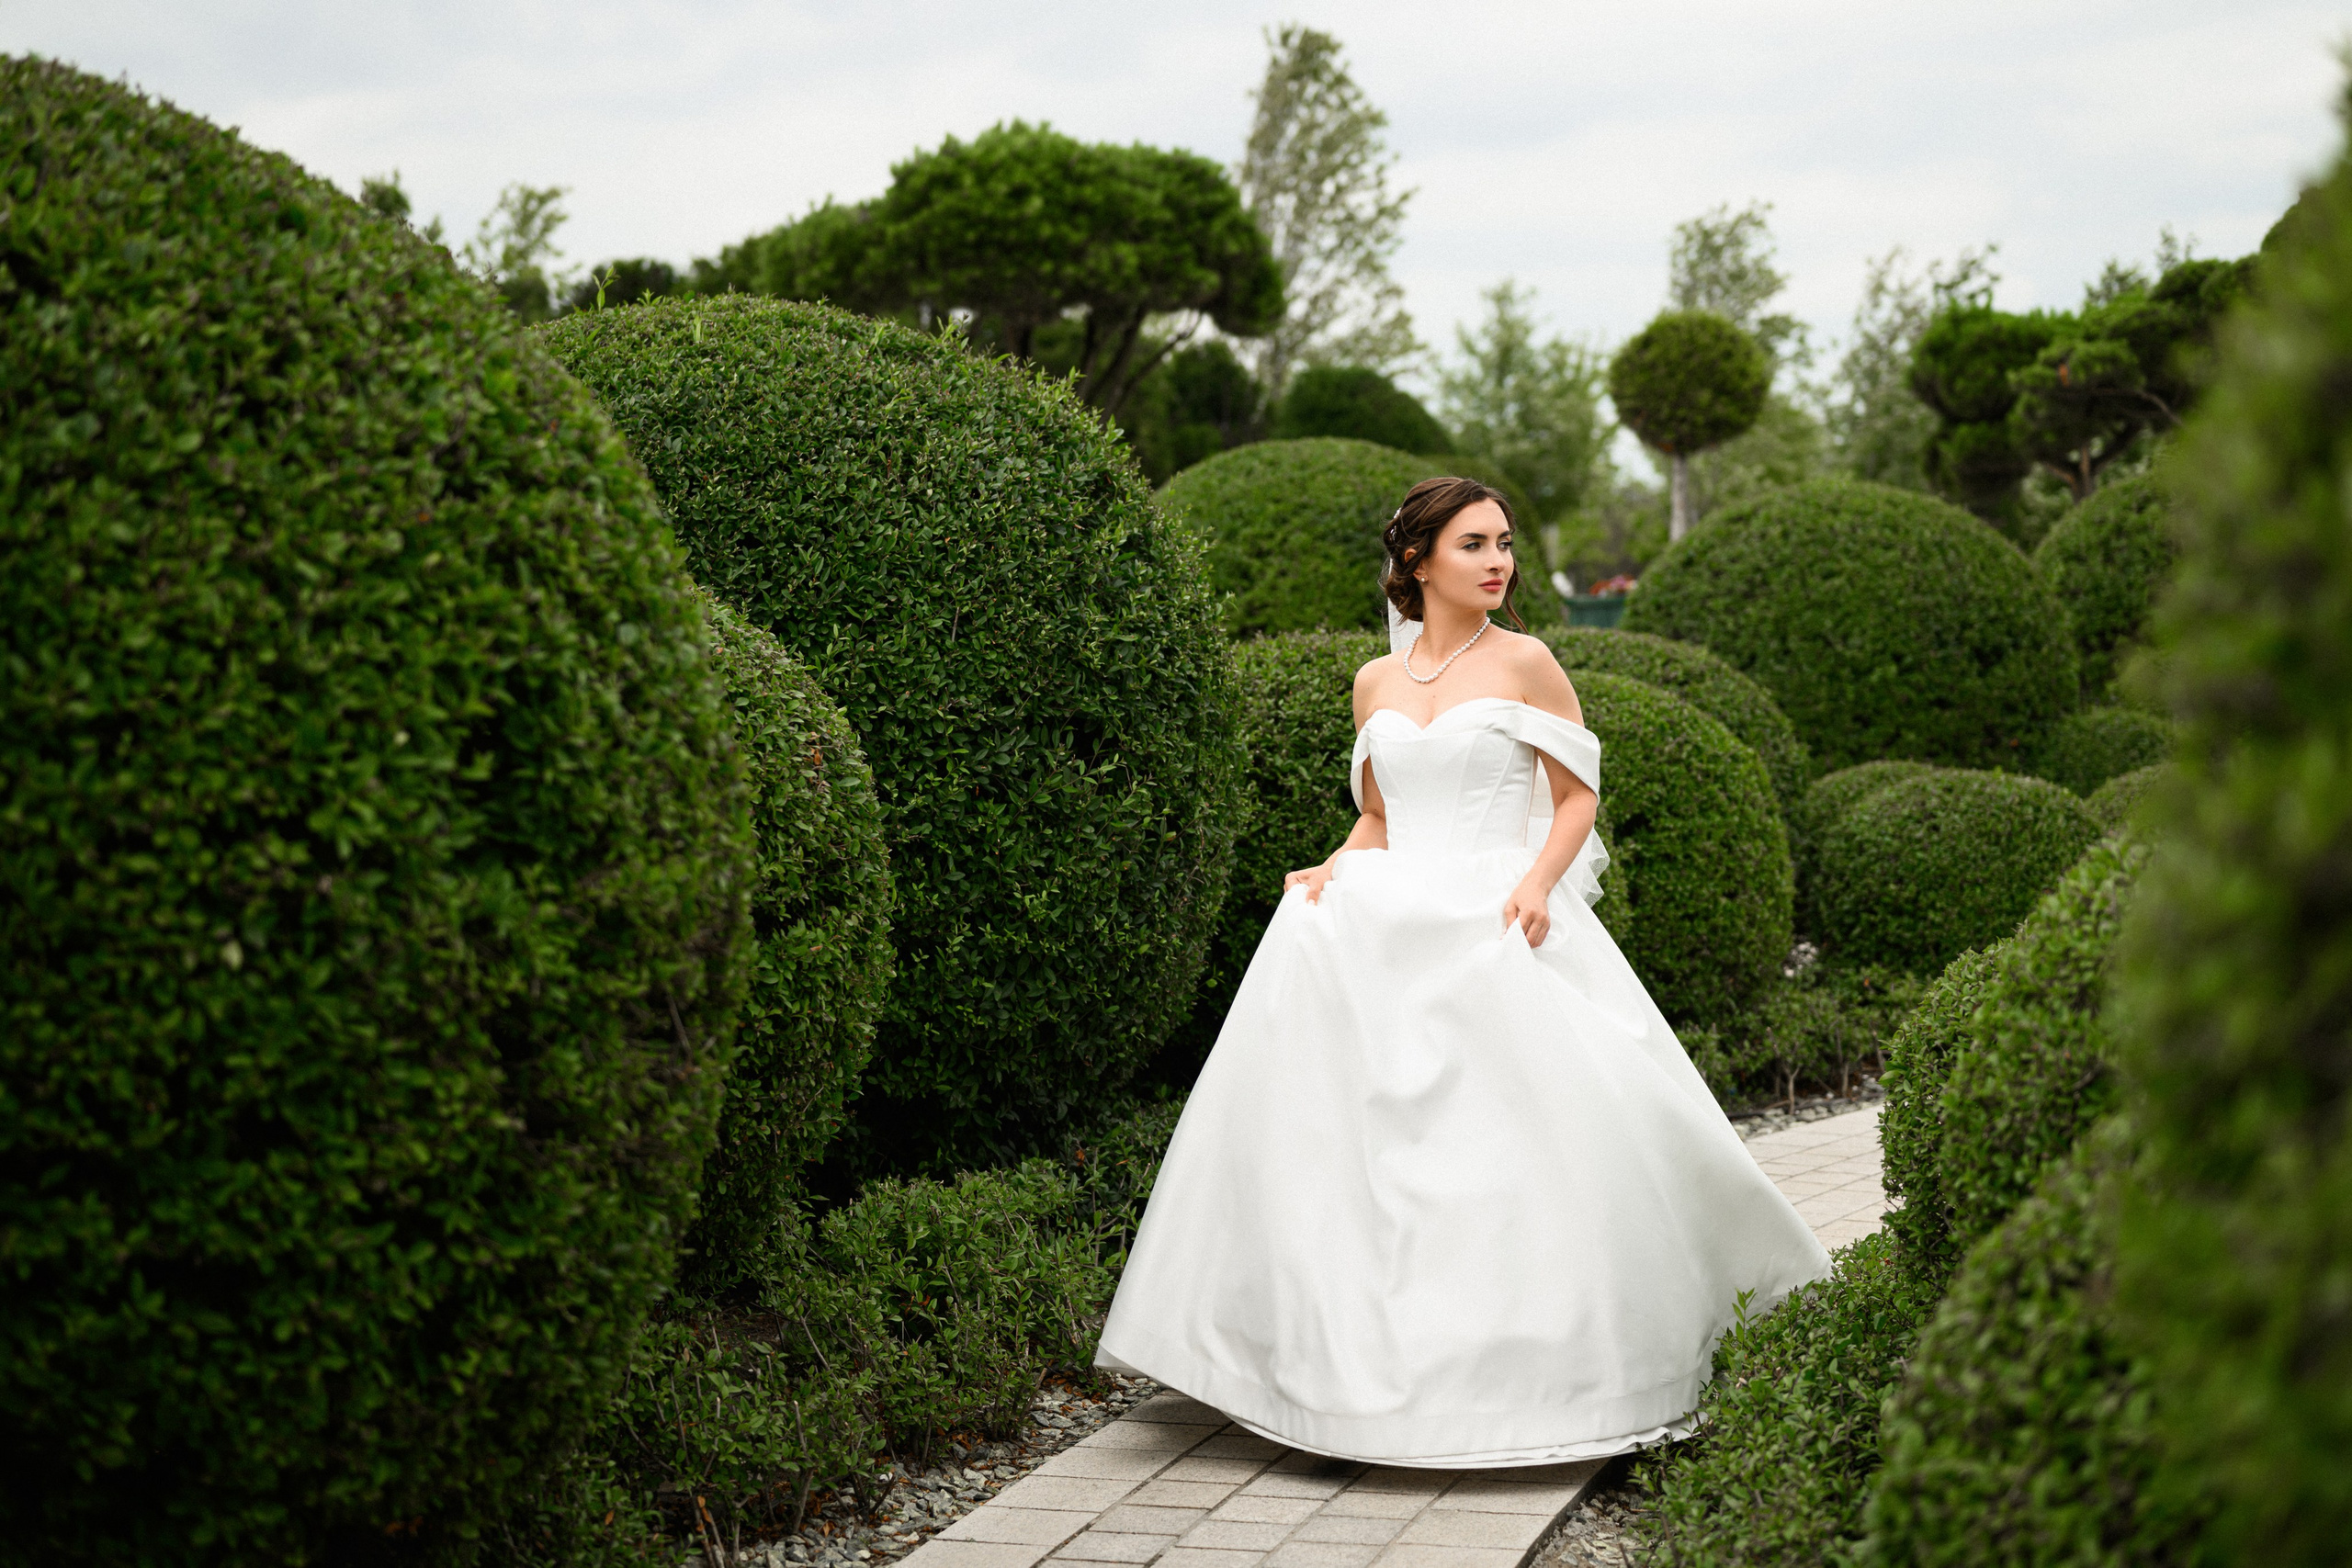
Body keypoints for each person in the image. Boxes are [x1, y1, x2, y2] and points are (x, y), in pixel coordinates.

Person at [1095, 476, 1830, 1467]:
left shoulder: (1526, 660)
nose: (1498, 562)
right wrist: (1335, 863)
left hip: (1496, 914)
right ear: (1416, 562)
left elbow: (1576, 799)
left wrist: (1535, 887)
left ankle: (1565, 1367)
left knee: (1517, 1143)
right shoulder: (1373, 683)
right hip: (1391, 919)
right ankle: (1342, 1375)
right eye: (1474, 544)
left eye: (1504, 544)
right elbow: (1380, 819)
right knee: (1370, 1152)